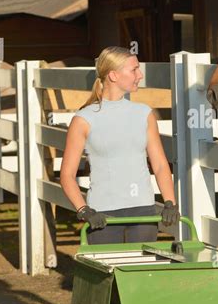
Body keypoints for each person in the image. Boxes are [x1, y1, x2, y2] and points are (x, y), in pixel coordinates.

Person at [60, 46, 180, 245]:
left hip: (143, 210)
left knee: (139, 273)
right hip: (102, 215)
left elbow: (159, 165)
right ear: (113, 75)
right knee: (108, 274)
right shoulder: (84, 120)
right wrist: (84, 210)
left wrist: (170, 203)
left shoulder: (144, 114)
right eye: (134, 69)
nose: (140, 75)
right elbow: (67, 175)